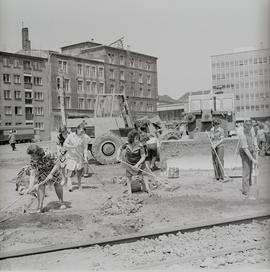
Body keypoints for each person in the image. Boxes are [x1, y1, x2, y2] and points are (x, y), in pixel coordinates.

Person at [25, 144, 66, 213]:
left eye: (33, 155)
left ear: (37, 152)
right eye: (31, 155)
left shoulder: (48, 153)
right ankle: (40, 206)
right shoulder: (32, 159)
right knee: (40, 186)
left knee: (57, 184)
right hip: (42, 171)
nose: (32, 157)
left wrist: (51, 174)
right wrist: (30, 186)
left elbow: (57, 163)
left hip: (53, 169)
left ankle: (61, 202)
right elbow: (33, 173)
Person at [117, 129, 151, 195]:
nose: (137, 140)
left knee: (144, 175)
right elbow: (119, 149)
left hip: (139, 163)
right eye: (136, 139)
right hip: (129, 163)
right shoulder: (126, 144)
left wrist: (137, 164)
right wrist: (118, 156)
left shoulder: (140, 146)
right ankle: (129, 191)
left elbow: (143, 157)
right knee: (128, 176)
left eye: (138, 138)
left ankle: (147, 189)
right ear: (131, 139)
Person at [63, 124, 88, 191]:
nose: (81, 132)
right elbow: (65, 144)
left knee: (79, 172)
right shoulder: (71, 136)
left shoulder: (84, 137)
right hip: (71, 157)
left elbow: (85, 148)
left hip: (79, 157)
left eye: (83, 131)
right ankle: (70, 187)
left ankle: (79, 185)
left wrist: (85, 157)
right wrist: (72, 146)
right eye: (81, 131)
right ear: (77, 129)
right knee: (70, 173)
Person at [239, 120, 258, 196]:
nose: (249, 126)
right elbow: (245, 149)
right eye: (247, 125)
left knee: (250, 170)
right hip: (244, 151)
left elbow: (254, 138)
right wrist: (253, 159)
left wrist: (256, 146)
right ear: (244, 125)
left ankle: (249, 185)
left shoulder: (251, 130)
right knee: (246, 171)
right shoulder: (242, 135)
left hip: (251, 149)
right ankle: (245, 190)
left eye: (250, 125)